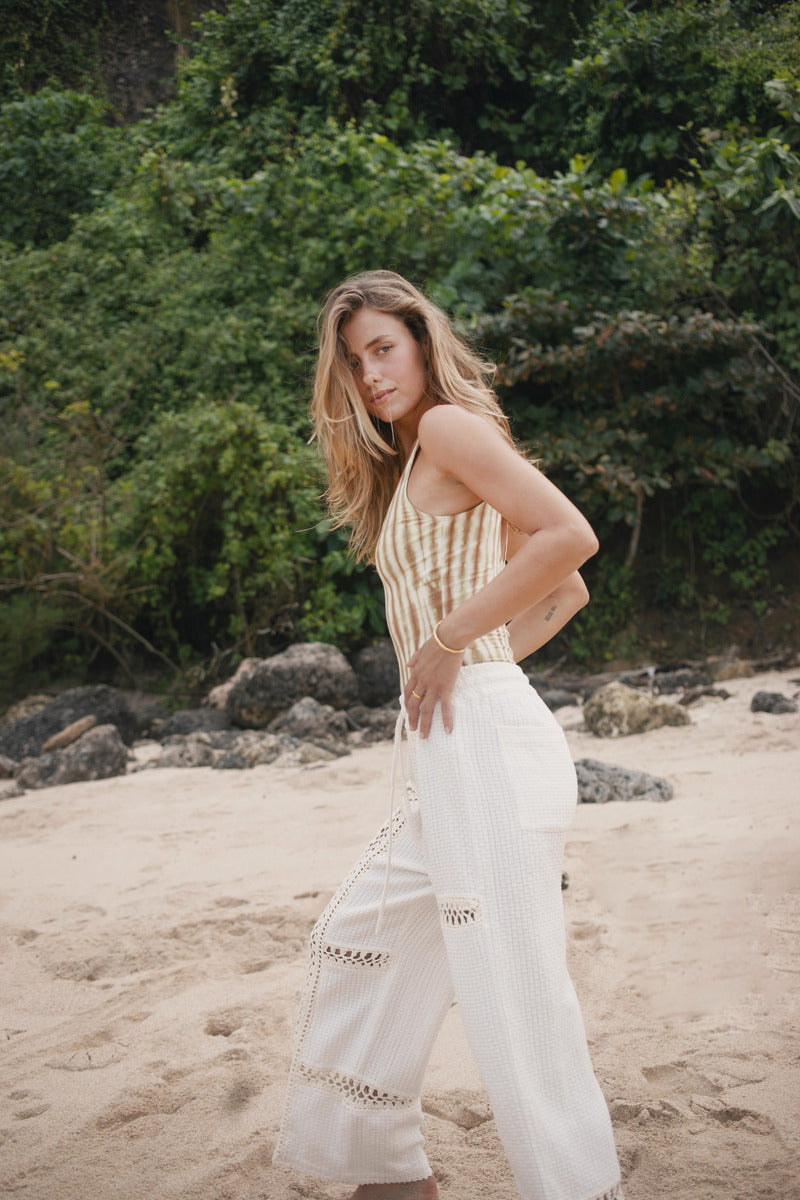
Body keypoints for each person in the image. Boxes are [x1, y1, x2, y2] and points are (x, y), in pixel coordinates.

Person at [273, 270, 624, 1200]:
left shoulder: (448, 428)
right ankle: (389, 1178)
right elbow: (561, 597)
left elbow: (570, 541)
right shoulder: (416, 458)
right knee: (359, 944)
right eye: (354, 361)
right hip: (459, 742)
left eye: (383, 348)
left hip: (485, 747)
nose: (370, 373)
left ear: (423, 343)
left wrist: (451, 646)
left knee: (517, 1001)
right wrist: (473, 654)